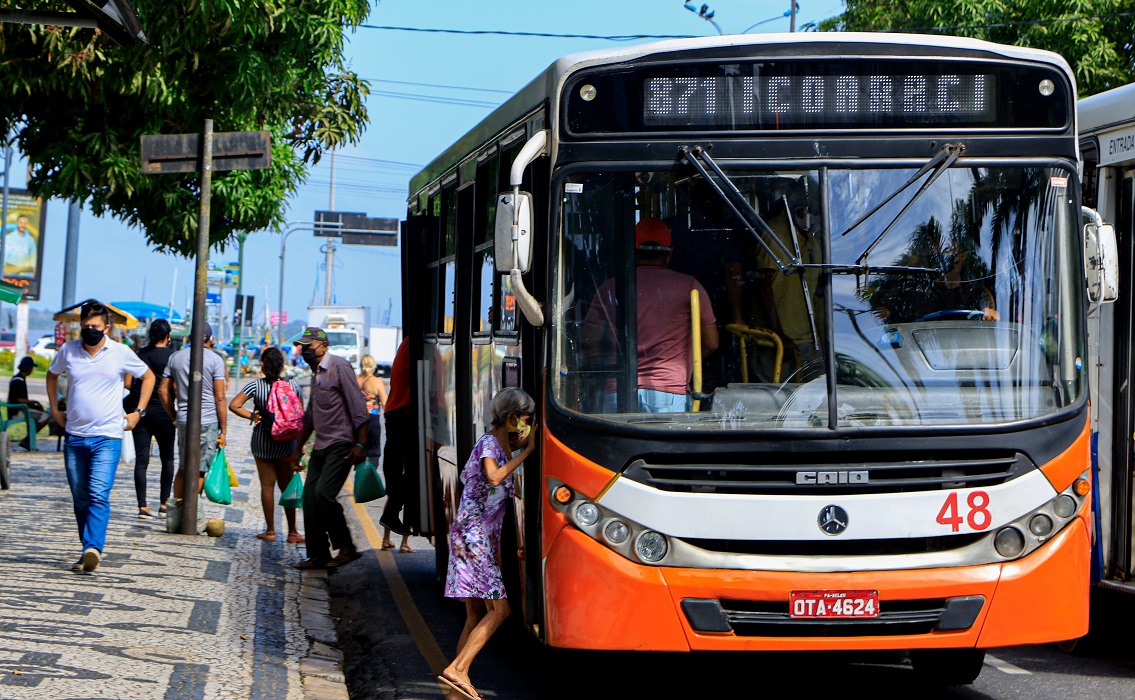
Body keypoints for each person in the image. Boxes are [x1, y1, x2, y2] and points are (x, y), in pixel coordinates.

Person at [439, 387, 537, 700]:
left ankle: (457, 677)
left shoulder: (497, 445)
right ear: (511, 417)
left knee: (474, 615)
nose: (526, 426)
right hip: (472, 537)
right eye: (525, 419)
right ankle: (458, 670)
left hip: (471, 537)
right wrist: (528, 451)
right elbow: (494, 478)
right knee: (501, 610)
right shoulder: (489, 444)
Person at [46, 301, 155, 572]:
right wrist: (54, 409)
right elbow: (51, 376)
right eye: (85, 327)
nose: (89, 332)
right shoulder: (68, 350)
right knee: (80, 496)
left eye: (94, 327)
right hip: (75, 436)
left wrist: (138, 412)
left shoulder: (120, 352)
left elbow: (149, 376)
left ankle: (93, 546)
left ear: (106, 328)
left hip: (107, 436)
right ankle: (87, 548)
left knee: (98, 492)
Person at [582, 217, 719, 412]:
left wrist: (599, 377)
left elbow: (588, 341)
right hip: (670, 393)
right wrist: (682, 361)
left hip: (617, 391)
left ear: (632, 252)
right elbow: (711, 342)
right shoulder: (690, 287)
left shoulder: (611, 287)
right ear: (670, 254)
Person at [289, 327, 369, 570]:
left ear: (323, 346)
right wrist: (297, 448)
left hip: (341, 443)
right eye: (303, 348)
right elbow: (310, 417)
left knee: (324, 493)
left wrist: (360, 444)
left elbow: (359, 409)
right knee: (311, 499)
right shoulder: (316, 374)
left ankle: (346, 547)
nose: (305, 352)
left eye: (309, 347)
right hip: (321, 444)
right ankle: (318, 555)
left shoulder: (339, 367)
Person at [228, 346, 305, 544]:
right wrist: (299, 444)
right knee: (287, 487)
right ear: (281, 366)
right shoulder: (294, 386)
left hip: (263, 442)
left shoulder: (256, 386)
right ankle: (293, 532)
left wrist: (253, 416)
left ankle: (270, 530)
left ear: (262, 365)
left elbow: (234, 405)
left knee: (267, 486)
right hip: (287, 443)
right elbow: (300, 416)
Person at [160, 322, 228, 511]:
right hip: (207, 420)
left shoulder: (175, 357)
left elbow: (163, 391)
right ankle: (190, 512)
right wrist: (224, 429)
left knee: (183, 466)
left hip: (183, 418)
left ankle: (175, 510)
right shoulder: (215, 360)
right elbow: (220, 396)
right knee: (199, 469)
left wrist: (174, 415)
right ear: (211, 339)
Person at [124, 320, 177, 518]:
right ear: (168, 335)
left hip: (141, 410)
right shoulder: (173, 357)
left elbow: (128, 383)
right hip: (165, 412)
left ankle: (142, 506)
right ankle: (164, 503)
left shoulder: (140, 354)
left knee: (142, 460)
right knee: (168, 458)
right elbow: (174, 388)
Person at [379, 338, 416, 552]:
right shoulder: (416, 344)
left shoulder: (405, 344)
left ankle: (391, 516)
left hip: (394, 413)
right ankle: (391, 515)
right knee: (412, 474)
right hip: (405, 414)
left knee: (396, 474)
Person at [8, 355, 52, 450]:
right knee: (46, 416)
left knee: (38, 414)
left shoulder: (16, 378)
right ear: (28, 369)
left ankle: (29, 439)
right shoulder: (19, 381)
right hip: (17, 411)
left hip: (17, 409)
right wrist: (35, 403)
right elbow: (20, 399)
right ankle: (28, 440)